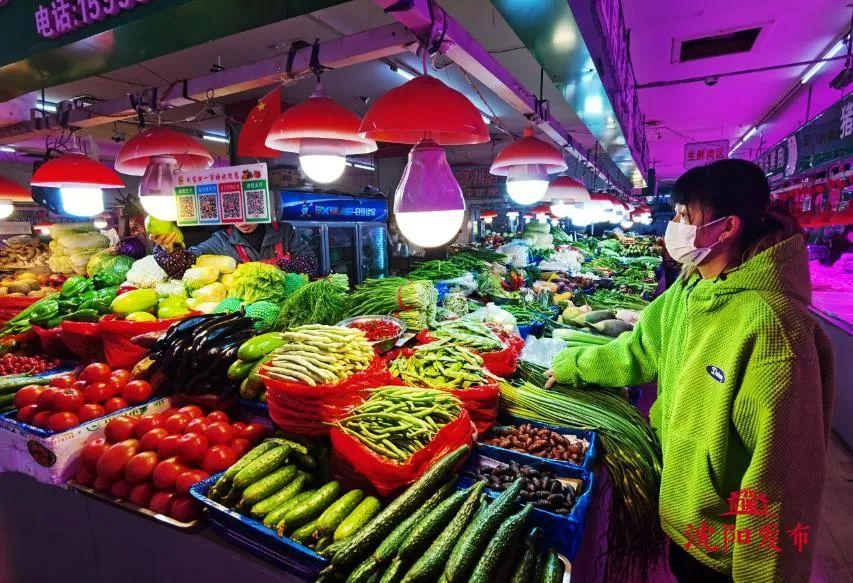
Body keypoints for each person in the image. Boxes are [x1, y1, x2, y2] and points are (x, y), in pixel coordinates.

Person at [545, 159, 834, 582]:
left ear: (727, 227)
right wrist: (571, 365)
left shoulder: (774, 328)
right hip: (684, 522)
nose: (674, 226)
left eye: (685, 216)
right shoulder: (688, 289)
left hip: (728, 549)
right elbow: (637, 352)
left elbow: (783, 479)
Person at [154, 222, 319, 275]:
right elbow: (186, 265)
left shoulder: (284, 231)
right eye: (235, 215)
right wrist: (168, 250)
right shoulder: (221, 240)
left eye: (248, 214)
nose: (242, 222)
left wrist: (279, 267)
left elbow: (310, 263)